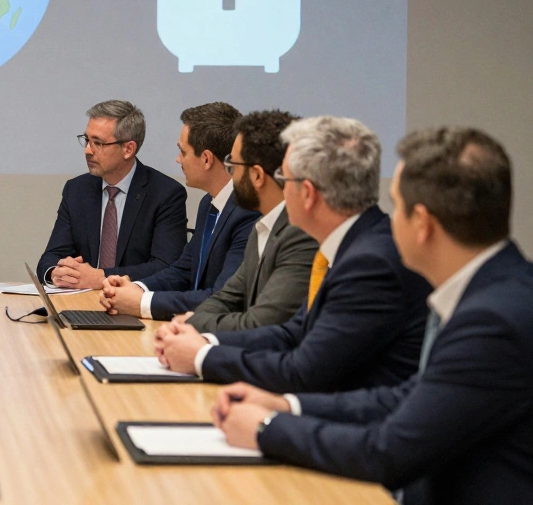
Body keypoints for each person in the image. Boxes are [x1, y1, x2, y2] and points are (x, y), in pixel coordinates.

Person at [213, 127, 533, 505]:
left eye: (396, 206)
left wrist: (267, 428)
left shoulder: (492, 321)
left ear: (423, 224)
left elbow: (388, 453)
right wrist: (286, 406)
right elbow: (407, 399)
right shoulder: (495, 289)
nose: (388, 221)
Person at [154, 116, 432, 392]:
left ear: (307, 193)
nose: (280, 190)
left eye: (284, 179)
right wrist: (205, 342)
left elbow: (306, 369)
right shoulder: (352, 246)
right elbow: (293, 332)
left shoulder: (370, 262)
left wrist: (201, 357)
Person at [100, 102, 257, 320]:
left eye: (183, 152)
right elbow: (183, 271)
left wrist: (142, 303)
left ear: (206, 159)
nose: (178, 159)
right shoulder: (208, 204)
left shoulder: (248, 213)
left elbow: (222, 298)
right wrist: (134, 288)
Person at [181, 110, 318, 332]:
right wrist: (192, 322)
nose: (231, 175)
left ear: (257, 176)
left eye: (233, 165)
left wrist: (191, 324)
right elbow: (226, 297)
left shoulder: (301, 235)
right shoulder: (262, 227)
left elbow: (261, 323)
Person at [38, 100, 188, 289]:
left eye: (98, 143)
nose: (87, 150)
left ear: (128, 149)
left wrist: (101, 277)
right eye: (87, 140)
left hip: (133, 302)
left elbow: (166, 267)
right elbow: (51, 257)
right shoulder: (76, 190)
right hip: (81, 300)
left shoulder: (165, 194)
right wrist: (56, 272)